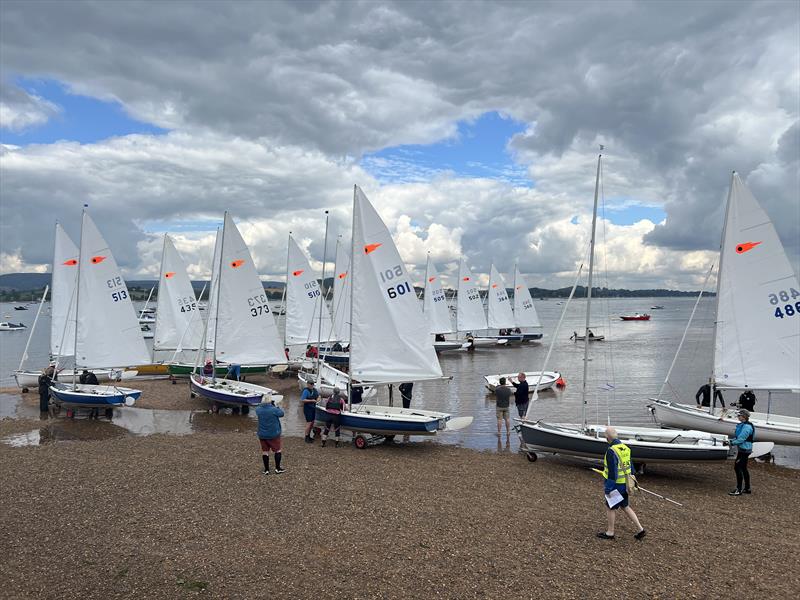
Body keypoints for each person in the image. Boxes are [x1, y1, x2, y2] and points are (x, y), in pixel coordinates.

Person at [597, 427, 646, 541]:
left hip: (616, 485)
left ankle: (610, 532)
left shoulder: (611, 451)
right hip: (625, 484)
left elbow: (613, 472)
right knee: (625, 506)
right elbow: (631, 468)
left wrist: (608, 488)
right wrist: (633, 482)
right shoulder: (626, 448)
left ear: (607, 438)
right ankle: (640, 529)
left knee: (610, 507)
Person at [255, 396, 285, 475]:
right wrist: (275, 405)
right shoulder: (273, 409)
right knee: (277, 450)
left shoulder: (258, 409)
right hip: (273, 434)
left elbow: (259, 408)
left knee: (265, 451)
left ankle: (266, 470)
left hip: (262, 434)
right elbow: (282, 414)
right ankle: (277, 468)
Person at [728, 410, 755, 496]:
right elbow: (739, 438)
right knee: (743, 468)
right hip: (744, 449)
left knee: (737, 467)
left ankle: (738, 489)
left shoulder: (747, 427)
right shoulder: (745, 425)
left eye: (739, 415)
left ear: (744, 417)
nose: (738, 417)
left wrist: (731, 443)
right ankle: (747, 488)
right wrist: (730, 441)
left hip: (744, 450)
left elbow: (741, 439)